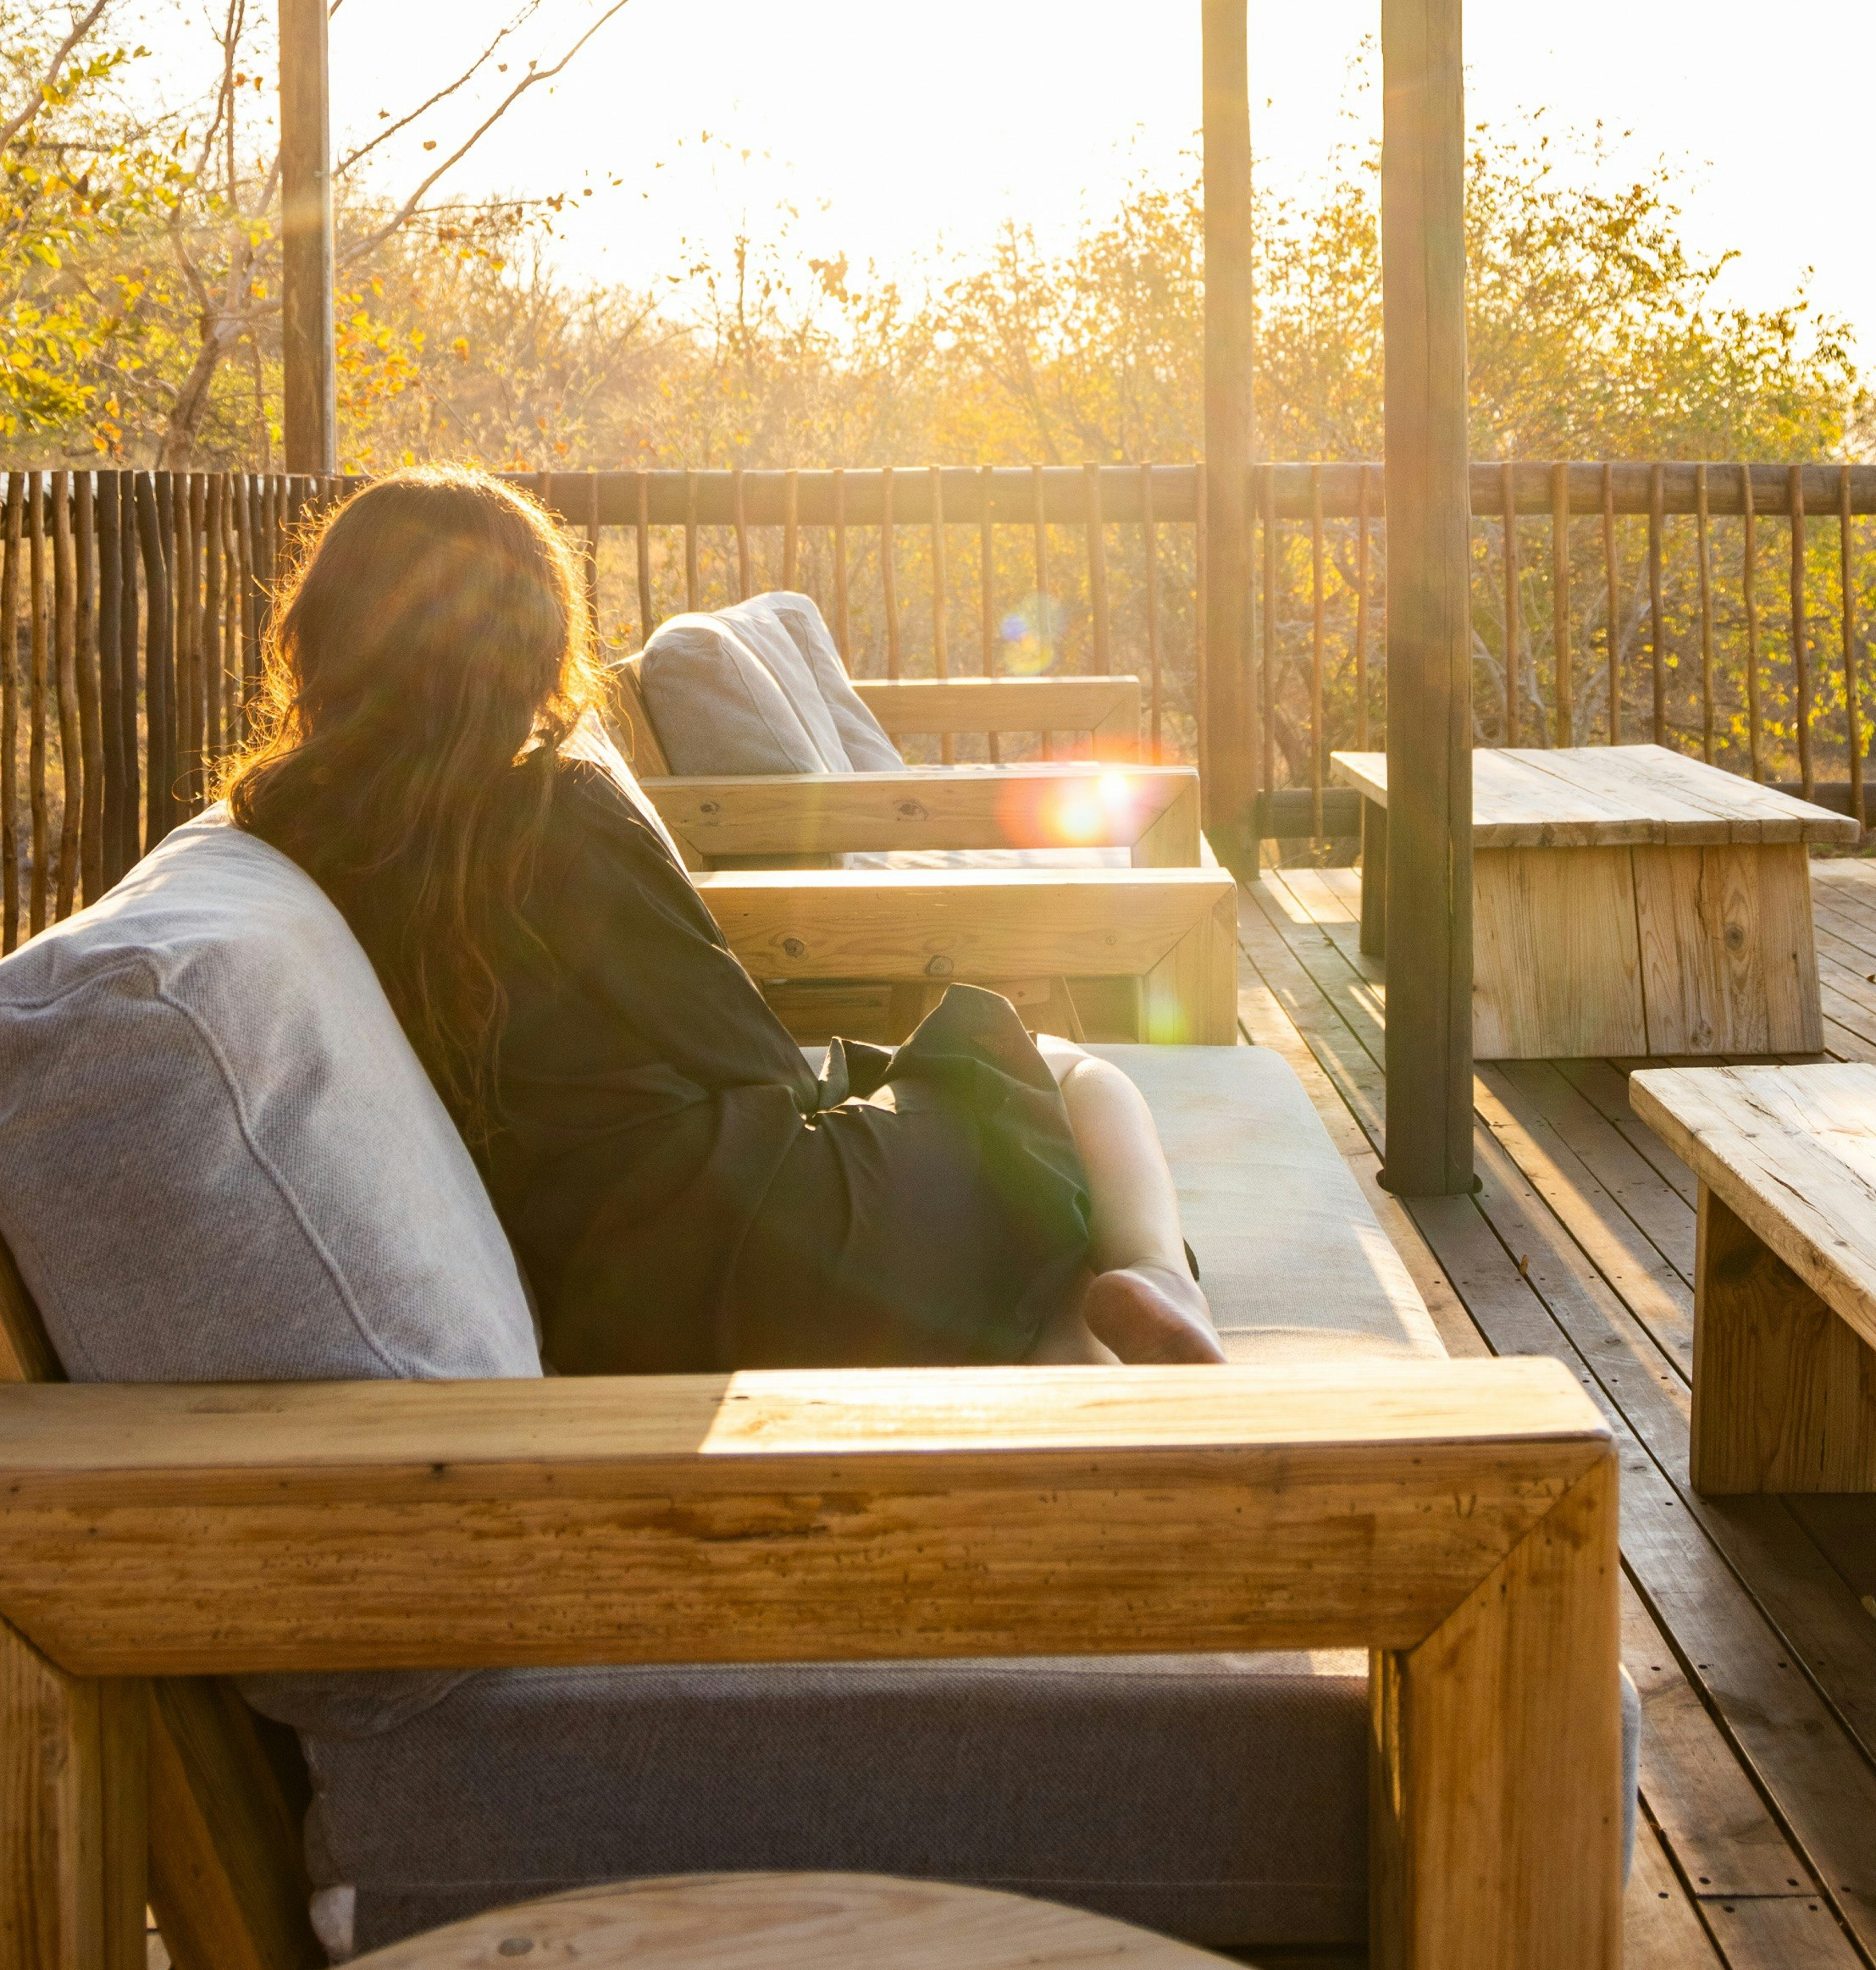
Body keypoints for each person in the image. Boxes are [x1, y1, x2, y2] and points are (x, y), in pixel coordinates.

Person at [224, 469, 1224, 1375]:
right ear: (529, 644)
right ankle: (1155, 1277)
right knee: (1062, 1074)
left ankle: (1077, 1353)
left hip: (594, 1296)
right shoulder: (553, 810)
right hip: (755, 1243)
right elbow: (750, 1057)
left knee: (1006, 1173)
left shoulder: (298, 827)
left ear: (327, 632)